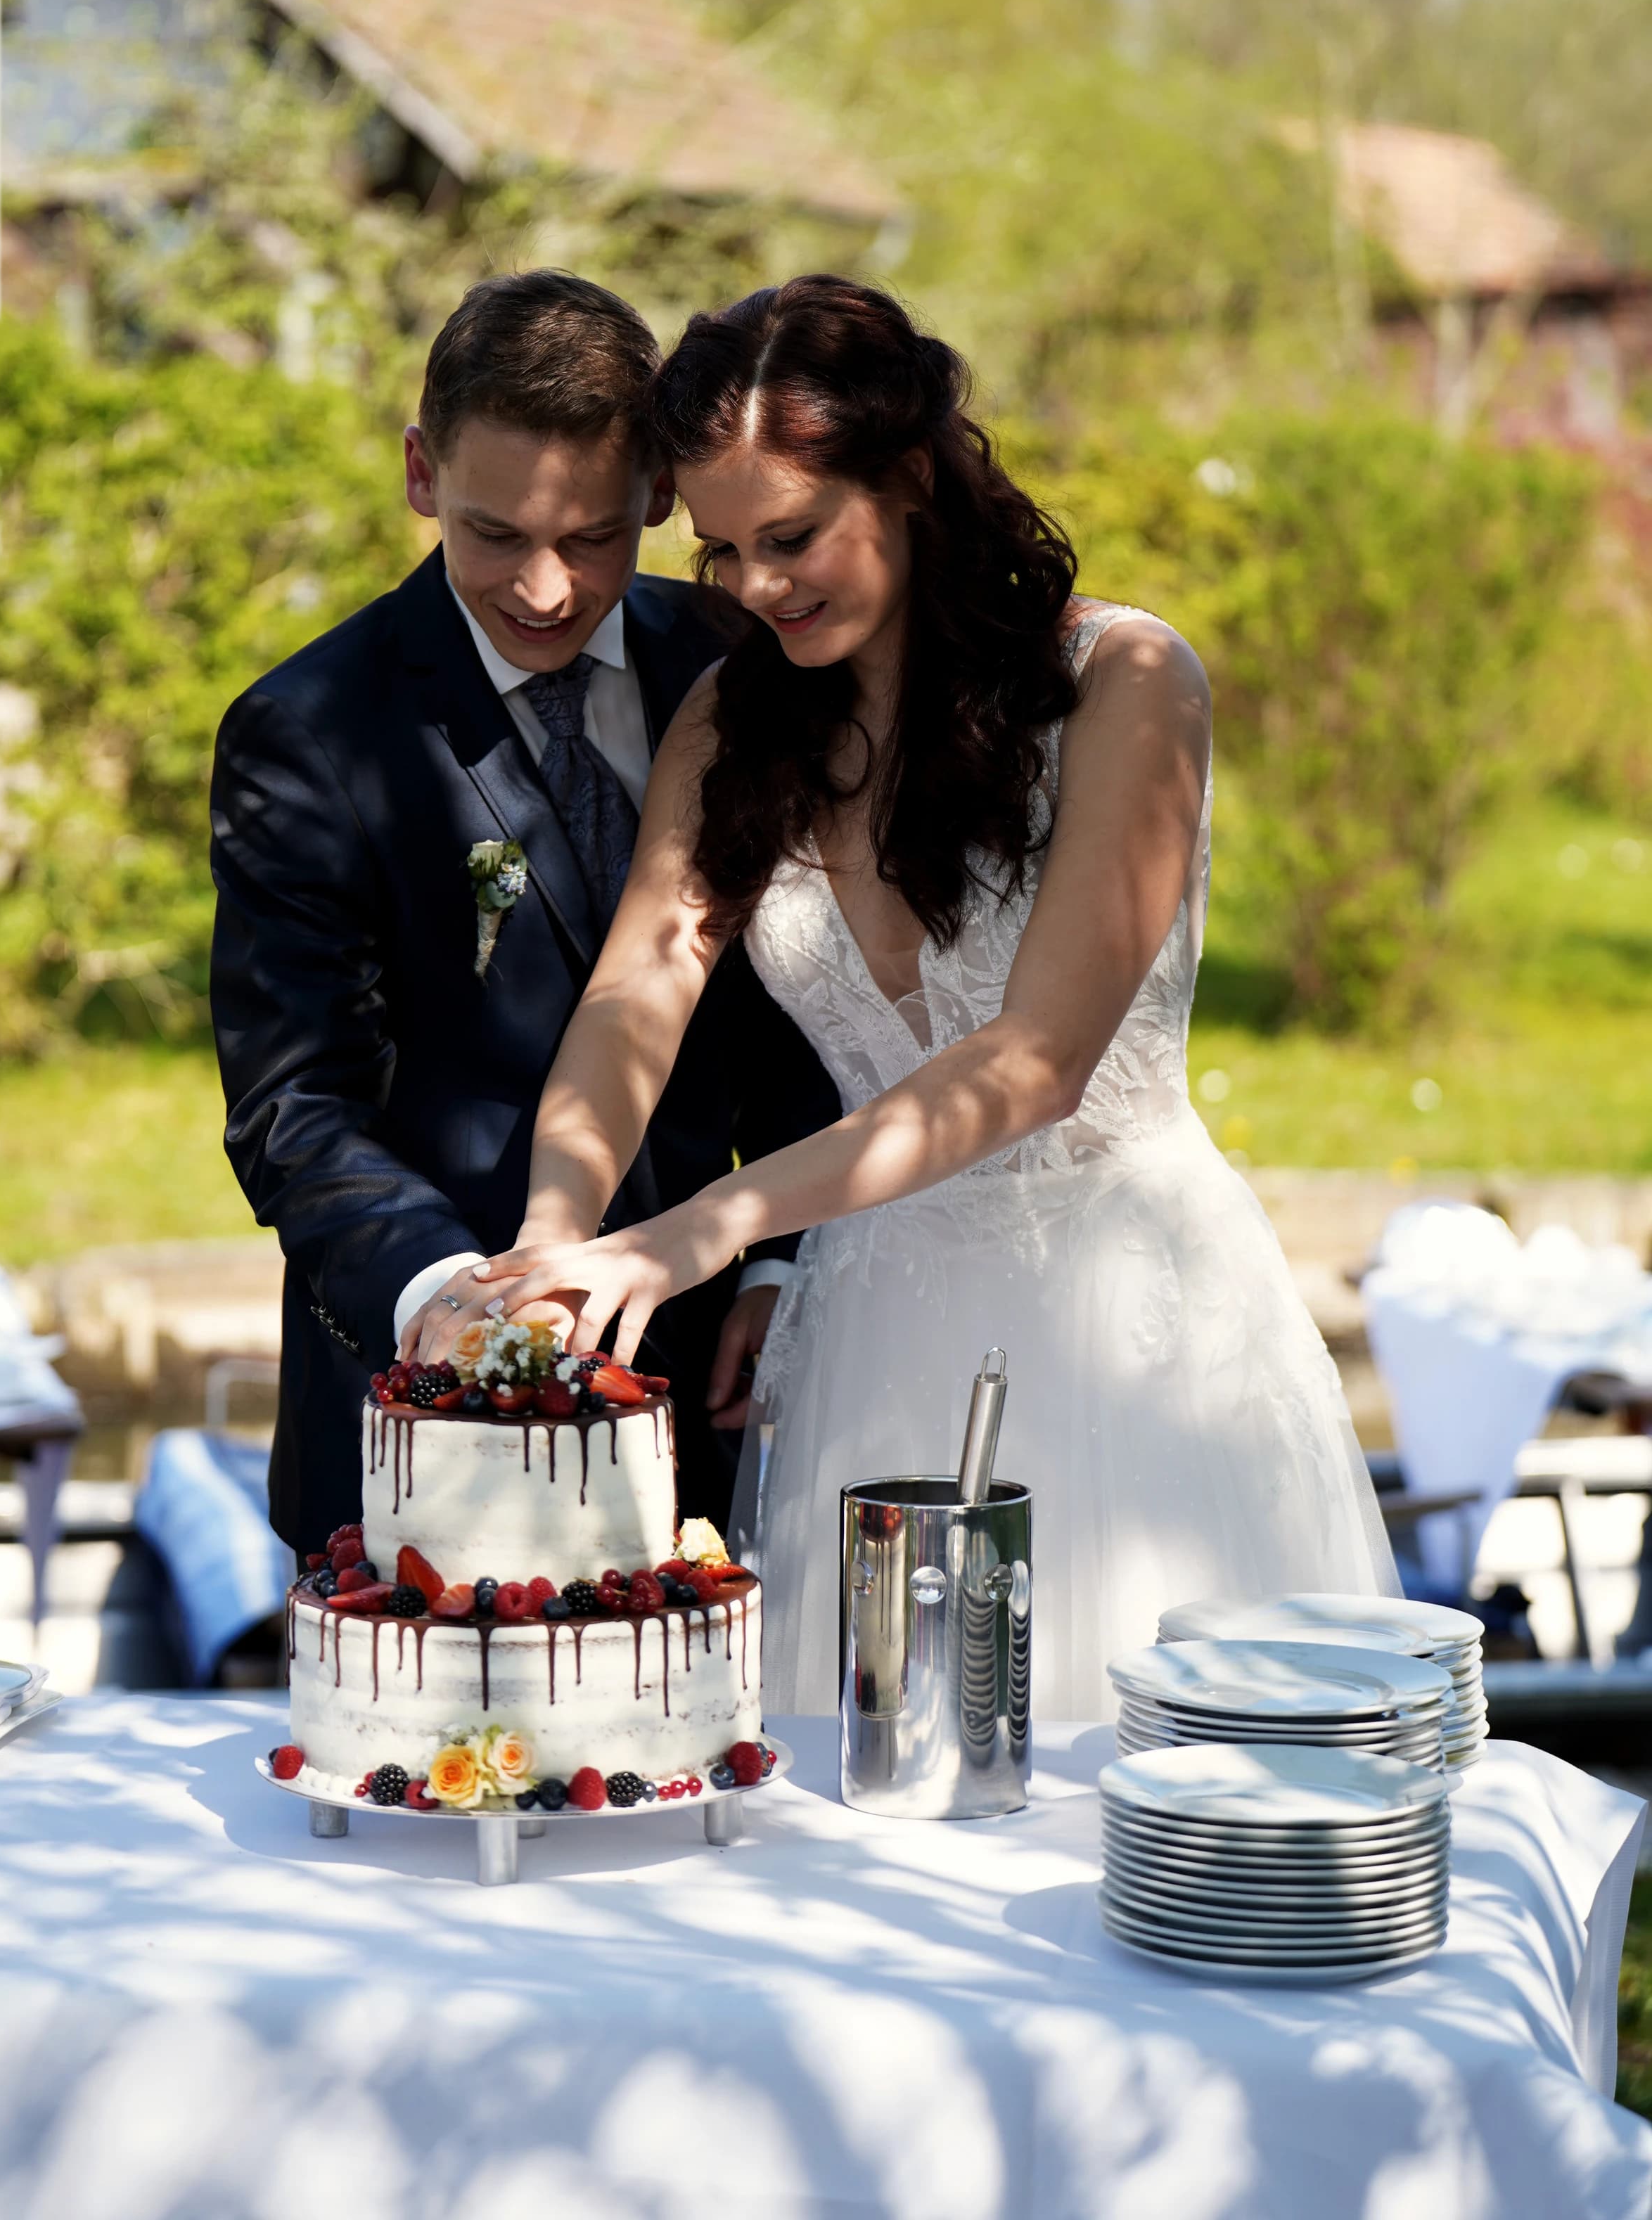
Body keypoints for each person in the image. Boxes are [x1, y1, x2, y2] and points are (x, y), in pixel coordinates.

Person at [438, 274, 1397, 1717]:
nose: (755, 587)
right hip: (873, 1344)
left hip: (1137, 1335)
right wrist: (550, 1247)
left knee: (1160, 1821)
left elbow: (1033, 1063)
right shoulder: (731, 718)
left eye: (792, 536)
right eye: (718, 551)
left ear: (903, 483)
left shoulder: (1123, 682)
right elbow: (639, 988)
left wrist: (688, 1237)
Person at [208, 270, 838, 1556]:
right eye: (498, 534)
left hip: (701, 1388)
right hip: (412, 1420)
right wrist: (448, 1296)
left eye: (594, 537)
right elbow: (292, 1104)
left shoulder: (739, 663)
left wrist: (777, 1262)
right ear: (420, 474)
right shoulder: (310, 734)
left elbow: (798, 992)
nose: (546, 589)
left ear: (661, 495)